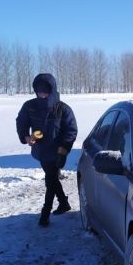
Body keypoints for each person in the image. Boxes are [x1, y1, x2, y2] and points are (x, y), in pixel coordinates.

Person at [16, 73, 78, 226]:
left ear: (52, 90)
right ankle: (64, 203)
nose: (42, 94)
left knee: (50, 180)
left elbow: (71, 130)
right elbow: (21, 122)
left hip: (57, 152)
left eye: (45, 91)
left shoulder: (63, 109)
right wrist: (26, 137)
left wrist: (63, 151)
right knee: (52, 179)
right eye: (39, 91)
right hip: (41, 151)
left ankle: (45, 213)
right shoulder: (29, 106)